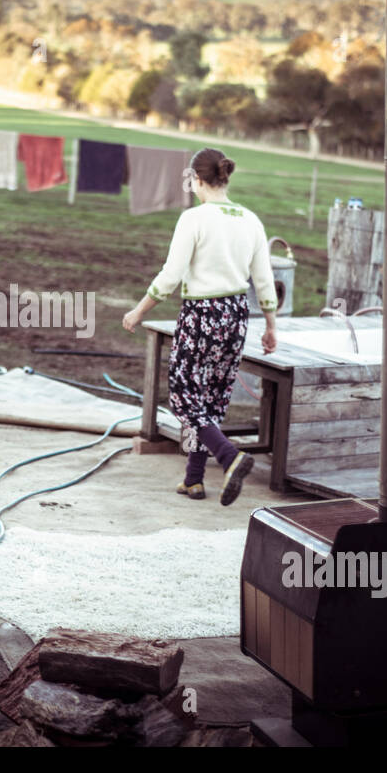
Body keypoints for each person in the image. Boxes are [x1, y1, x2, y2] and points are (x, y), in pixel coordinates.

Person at [122, 148, 278, 505]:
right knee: (211, 398)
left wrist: (139, 310)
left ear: (196, 179)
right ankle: (193, 479)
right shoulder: (250, 220)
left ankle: (228, 456)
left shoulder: (194, 219)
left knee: (184, 395)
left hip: (202, 316)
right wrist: (271, 326)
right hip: (237, 316)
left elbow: (170, 277)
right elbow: (264, 280)